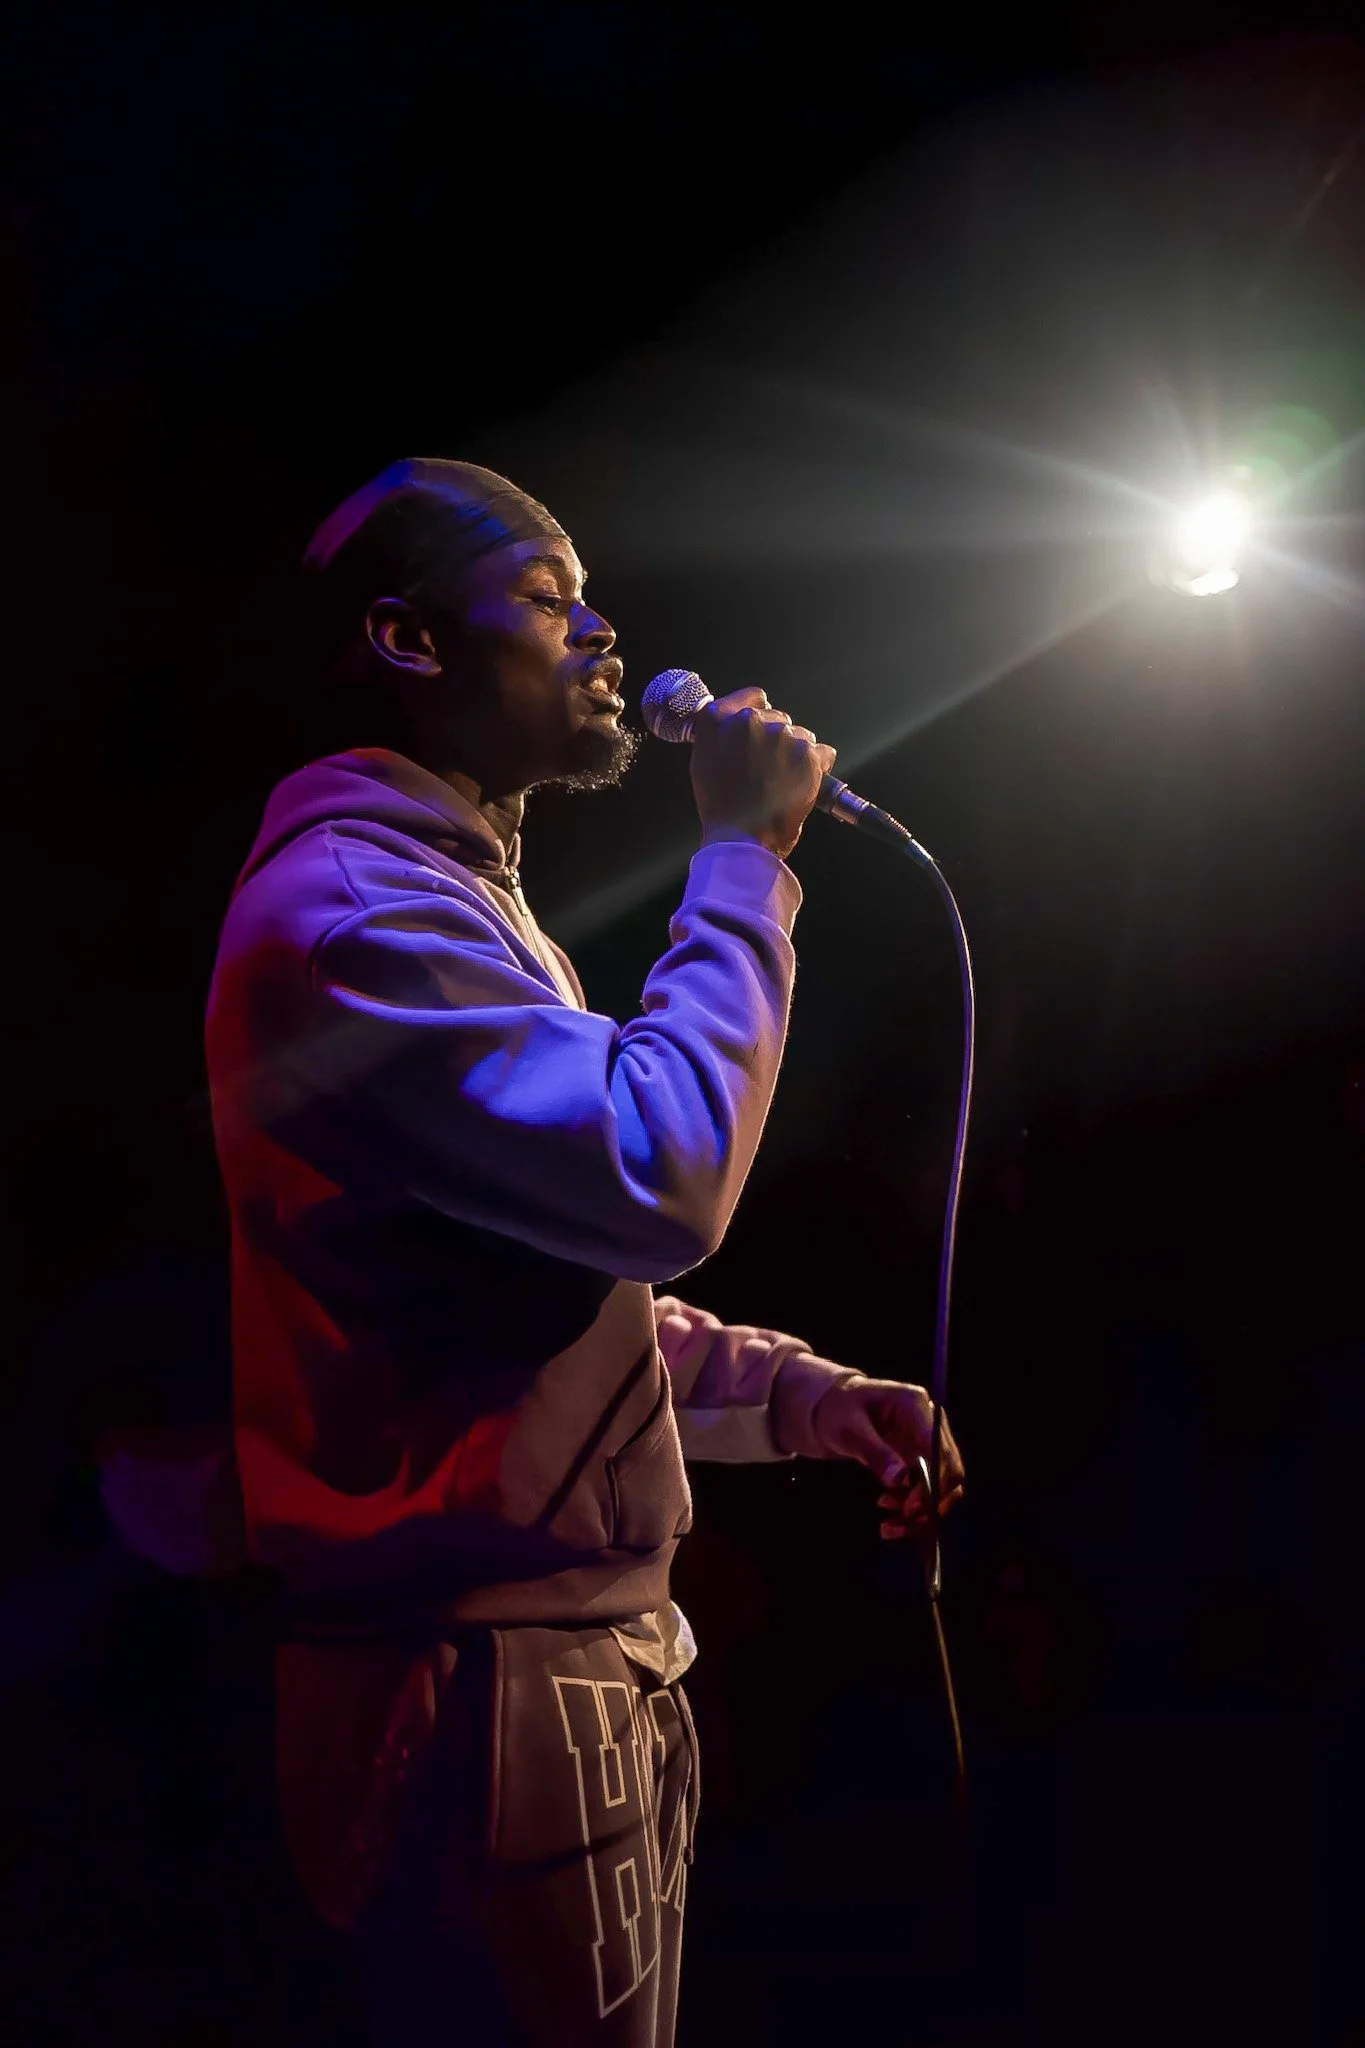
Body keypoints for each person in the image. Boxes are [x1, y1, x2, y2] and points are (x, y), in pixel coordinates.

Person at [204, 457, 964, 2047]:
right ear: (408, 642)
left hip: (551, 1672)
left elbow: (542, 1304)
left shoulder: (447, 901)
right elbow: (659, 1179)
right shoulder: (354, 922)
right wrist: (747, 863)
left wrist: (804, 1400)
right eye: (548, 598)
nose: (602, 629)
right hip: (480, 1694)